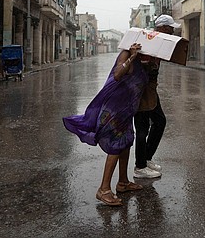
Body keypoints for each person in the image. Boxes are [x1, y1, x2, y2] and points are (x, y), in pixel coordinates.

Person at [63, 43, 149, 206]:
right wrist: (132, 57)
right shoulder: (126, 55)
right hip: (114, 108)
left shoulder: (146, 62)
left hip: (126, 110)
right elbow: (117, 74)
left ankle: (123, 182)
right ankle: (103, 190)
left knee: (126, 142)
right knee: (116, 144)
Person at [133, 14, 180, 179]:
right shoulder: (149, 42)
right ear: (163, 28)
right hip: (141, 90)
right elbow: (142, 65)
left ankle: (146, 158)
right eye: (170, 27)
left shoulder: (158, 42)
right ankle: (140, 167)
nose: (173, 30)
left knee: (159, 121)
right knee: (142, 127)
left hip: (149, 90)